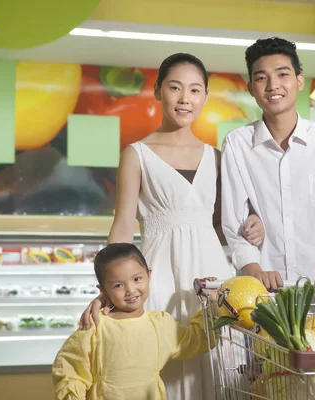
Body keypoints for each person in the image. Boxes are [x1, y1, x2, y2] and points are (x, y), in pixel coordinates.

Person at [78, 53, 265, 400]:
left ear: (206, 97)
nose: (185, 98)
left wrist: (254, 224)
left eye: (195, 90)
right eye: (175, 88)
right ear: (157, 91)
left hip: (212, 275)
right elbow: (121, 228)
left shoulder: (217, 157)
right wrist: (108, 291)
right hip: (158, 272)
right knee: (162, 363)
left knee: (217, 361)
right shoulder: (136, 153)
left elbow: (226, 224)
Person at [221, 37, 315, 294]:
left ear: (299, 81)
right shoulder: (237, 144)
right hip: (259, 294)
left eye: (282, 74)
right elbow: (234, 221)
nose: (273, 85)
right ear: (251, 88)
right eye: (262, 78)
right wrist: (256, 273)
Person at [53, 243, 217, 400]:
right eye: (118, 285)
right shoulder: (94, 325)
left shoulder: (160, 324)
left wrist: (214, 304)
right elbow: (70, 369)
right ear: (103, 290)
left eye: (137, 279)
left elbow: (195, 340)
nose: (130, 290)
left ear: (149, 275)